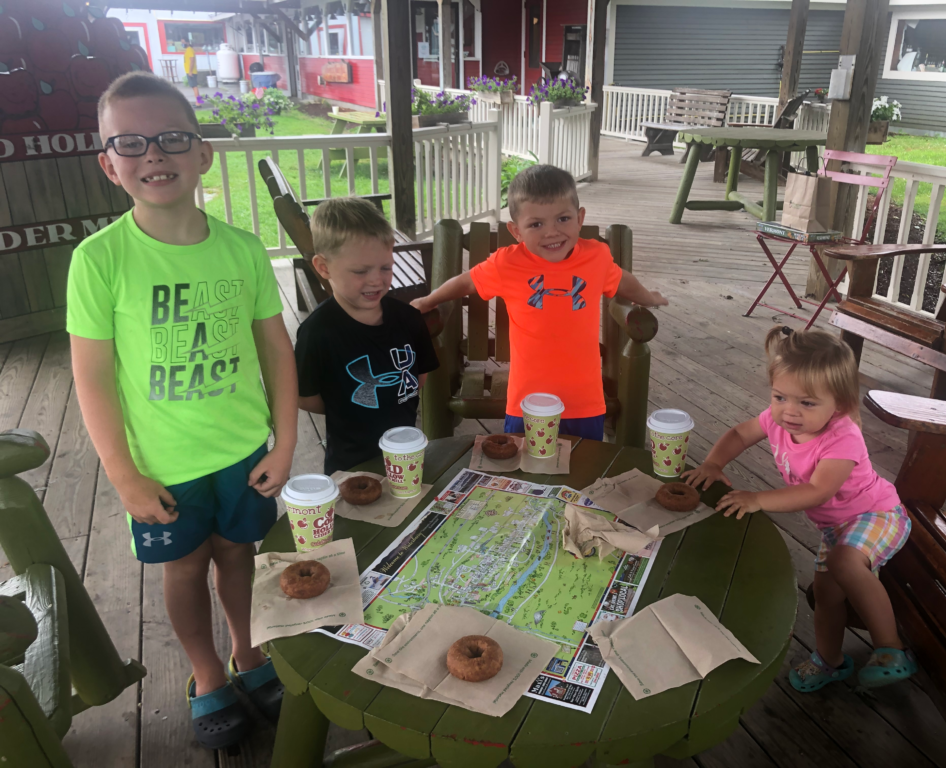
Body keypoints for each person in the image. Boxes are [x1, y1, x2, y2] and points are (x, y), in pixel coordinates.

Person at [66, 72, 297, 749]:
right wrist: (123, 474)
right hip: (162, 465)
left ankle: (248, 653)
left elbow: (278, 355)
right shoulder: (98, 261)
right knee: (186, 567)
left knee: (239, 554)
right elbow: (93, 380)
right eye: (130, 143)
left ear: (203, 154)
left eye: (171, 138)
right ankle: (207, 675)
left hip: (243, 451)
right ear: (109, 165)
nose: (153, 155)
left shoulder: (242, 250)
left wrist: (284, 445)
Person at [681, 326, 917, 692]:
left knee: (842, 562)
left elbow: (818, 491)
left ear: (838, 403)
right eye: (780, 397)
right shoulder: (778, 420)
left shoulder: (843, 437)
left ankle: (891, 649)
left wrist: (758, 498)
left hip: (877, 514)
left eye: (807, 403)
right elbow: (741, 434)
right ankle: (830, 661)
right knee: (825, 595)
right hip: (834, 528)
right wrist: (713, 463)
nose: (789, 411)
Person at [411, 164, 667, 440]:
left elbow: (622, 281)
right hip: (527, 400)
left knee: (585, 465)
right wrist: (428, 300)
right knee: (523, 466)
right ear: (516, 230)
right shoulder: (507, 263)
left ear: (580, 218)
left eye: (563, 219)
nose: (552, 232)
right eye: (536, 224)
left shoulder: (596, 257)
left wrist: (648, 298)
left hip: (583, 399)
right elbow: (467, 281)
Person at [294, 198, 440, 474]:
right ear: (323, 267)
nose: (377, 280)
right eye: (361, 271)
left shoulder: (408, 319)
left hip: (406, 453)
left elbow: (420, 376)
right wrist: (344, 405)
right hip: (350, 464)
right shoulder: (318, 332)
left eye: (386, 267)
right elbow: (305, 396)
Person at [182, 39, 199, 103]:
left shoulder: (190, 50)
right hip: (189, 71)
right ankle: (198, 101)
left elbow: (192, 61)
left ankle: (198, 102)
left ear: (188, 42)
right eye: (182, 42)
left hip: (191, 72)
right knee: (194, 87)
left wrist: (190, 71)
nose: (182, 43)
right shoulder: (187, 50)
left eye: (183, 42)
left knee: (194, 87)